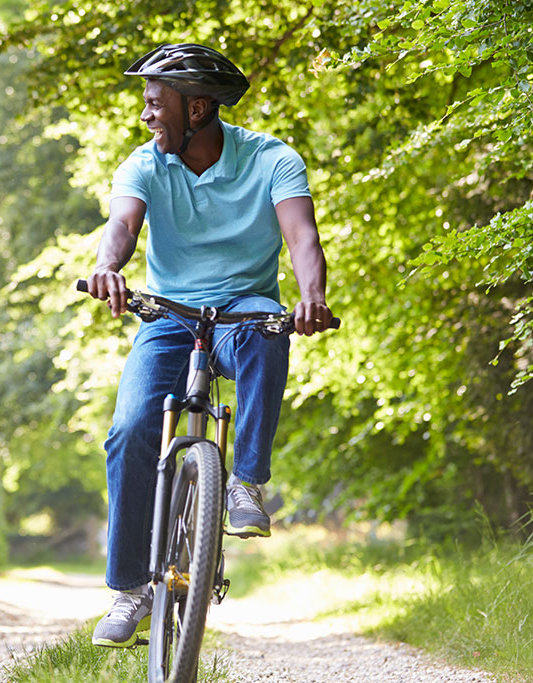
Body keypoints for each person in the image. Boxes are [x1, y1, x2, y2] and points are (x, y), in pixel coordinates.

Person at [82, 44, 334, 648]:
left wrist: (311, 295)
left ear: (198, 108)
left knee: (266, 330)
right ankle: (129, 591)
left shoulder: (272, 159)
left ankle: (244, 480)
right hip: (169, 316)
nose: (146, 114)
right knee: (130, 428)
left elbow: (302, 238)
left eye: (155, 103)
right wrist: (108, 266)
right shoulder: (144, 163)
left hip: (243, 306)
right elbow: (121, 227)